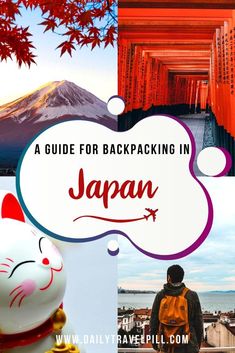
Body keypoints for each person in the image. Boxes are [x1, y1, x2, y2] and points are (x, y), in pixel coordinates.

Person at [150, 265, 203, 353]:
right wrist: (197, 344)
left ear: (168, 277)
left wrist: (154, 343)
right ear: (182, 277)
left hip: (165, 345)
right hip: (188, 345)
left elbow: (154, 321)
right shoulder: (192, 295)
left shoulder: (161, 295)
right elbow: (199, 323)